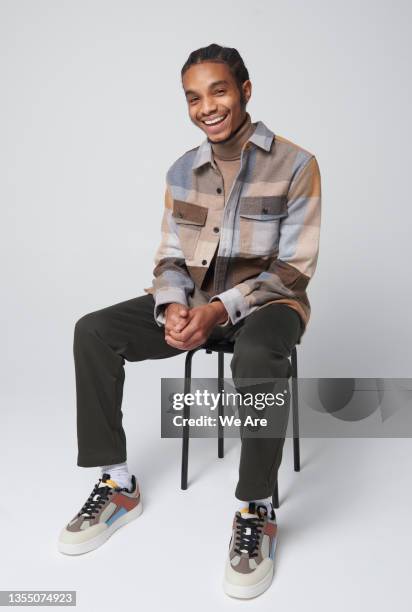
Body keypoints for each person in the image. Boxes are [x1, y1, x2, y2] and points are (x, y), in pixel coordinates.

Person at [58, 43, 321, 600]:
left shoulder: (297, 165)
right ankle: (117, 484)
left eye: (218, 91)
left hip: (270, 307)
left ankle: (256, 507)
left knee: (256, 355)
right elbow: (170, 256)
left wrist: (219, 310)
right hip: (196, 303)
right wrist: (173, 304)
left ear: (245, 91)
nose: (207, 107)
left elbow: (293, 269)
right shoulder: (183, 170)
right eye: (193, 97)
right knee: (93, 331)